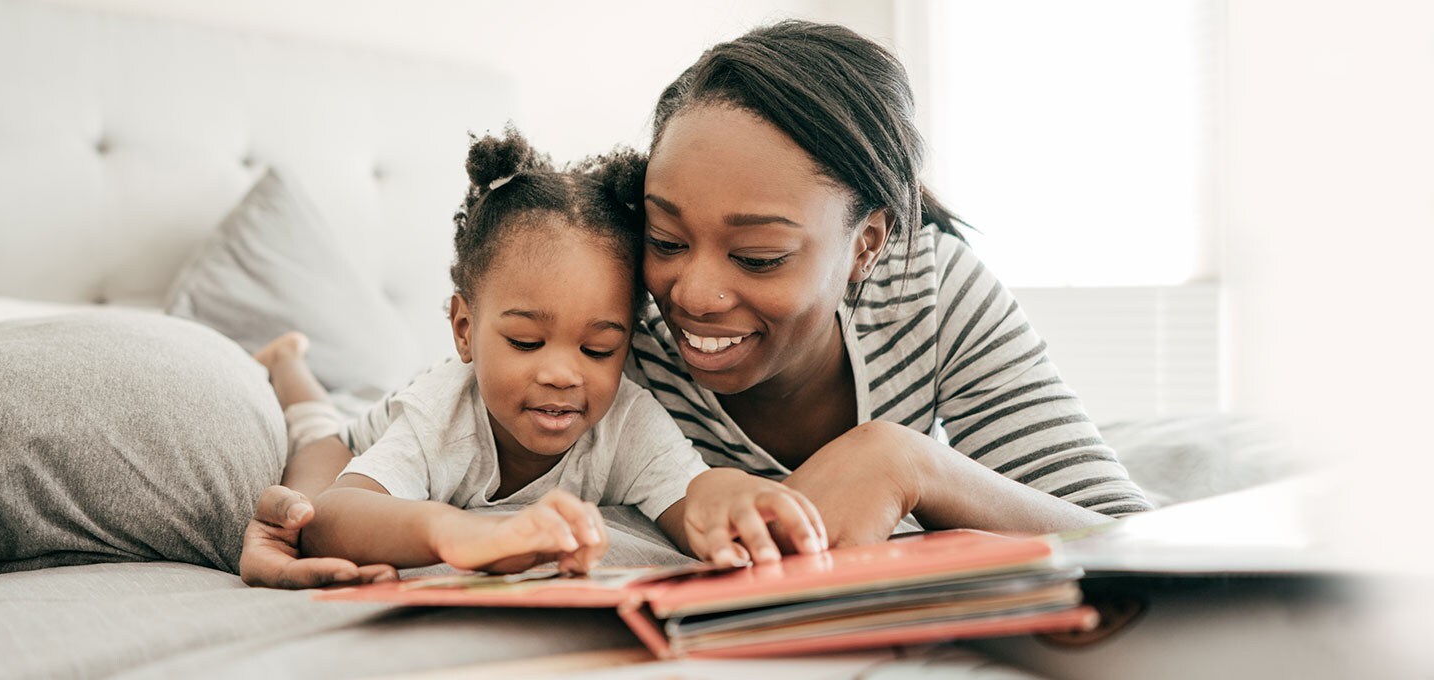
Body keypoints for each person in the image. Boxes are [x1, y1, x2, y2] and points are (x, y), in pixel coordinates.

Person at [240, 21, 1151, 590]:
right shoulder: (605, 330)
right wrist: (307, 509)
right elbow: (429, 448)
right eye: (666, 239)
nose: (692, 295)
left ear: (869, 242)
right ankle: (291, 368)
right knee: (329, 417)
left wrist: (913, 464)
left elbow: (1145, 543)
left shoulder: (935, 290)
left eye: (758, 254)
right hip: (382, 417)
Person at [245, 128, 827, 584]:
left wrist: (729, 495)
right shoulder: (440, 415)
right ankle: (288, 361)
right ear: (466, 330)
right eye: (525, 342)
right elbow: (339, 515)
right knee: (316, 436)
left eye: (599, 349)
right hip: (357, 440)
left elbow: (689, 494)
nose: (560, 374)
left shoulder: (628, 421)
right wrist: (459, 533)